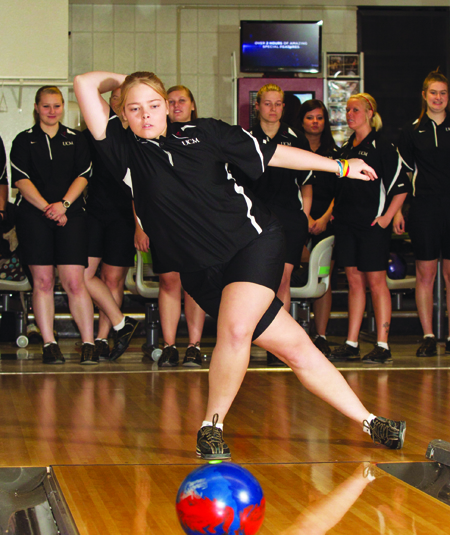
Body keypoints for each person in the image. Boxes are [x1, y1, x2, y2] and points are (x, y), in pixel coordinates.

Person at [74, 70, 406, 459]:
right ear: (125, 116)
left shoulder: (206, 132)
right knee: (297, 348)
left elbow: (276, 155)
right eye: (134, 108)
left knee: (234, 330)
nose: (145, 115)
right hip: (201, 272)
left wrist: (340, 166)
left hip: (252, 244)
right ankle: (372, 422)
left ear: (167, 107)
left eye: (153, 104)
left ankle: (210, 427)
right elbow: (83, 83)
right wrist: (127, 79)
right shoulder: (123, 152)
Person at [10, 85, 97, 364]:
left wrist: (64, 205)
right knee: (43, 281)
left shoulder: (77, 139)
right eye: (46, 106)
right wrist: (49, 208)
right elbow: (21, 180)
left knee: (74, 281)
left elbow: (83, 175)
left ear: (63, 107)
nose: (51, 111)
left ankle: (88, 343)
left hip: (71, 215)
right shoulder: (23, 140)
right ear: (37, 108)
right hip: (34, 217)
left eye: (56, 106)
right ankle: (49, 343)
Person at [328, 93, 410, 364]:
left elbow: (401, 187)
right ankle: (351, 343)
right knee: (353, 281)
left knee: (376, 283)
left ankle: (383, 345)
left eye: (356, 110)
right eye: (347, 110)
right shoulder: (346, 148)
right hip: (346, 225)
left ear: (370, 113)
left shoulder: (383, 145)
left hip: (372, 225)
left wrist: (387, 217)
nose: (350, 114)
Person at [243, 84, 313, 365]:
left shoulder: (295, 139)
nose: (273, 109)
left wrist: (305, 217)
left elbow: (307, 183)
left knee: (282, 280)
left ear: (284, 108)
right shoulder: (245, 139)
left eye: (278, 104)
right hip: (255, 220)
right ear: (257, 106)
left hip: (289, 219)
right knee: (258, 282)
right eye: (267, 103)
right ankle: (251, 339)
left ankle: (278, 347)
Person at [141, 85, 206, 368]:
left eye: (182, 100)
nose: (177, 105)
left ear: (192, 105)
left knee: (194, 283)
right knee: (169, 281)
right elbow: (139, 188)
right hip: (162, 222)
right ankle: (169, 345)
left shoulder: (204, 136)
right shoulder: (149, 138)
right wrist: (139, 225)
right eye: (171, 101)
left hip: (198, 223)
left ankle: (194, 345)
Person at [395, 69, 450, 357]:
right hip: (424, 208)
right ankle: (428, 335)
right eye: (433, 93)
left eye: (443, 93)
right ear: (424, 96)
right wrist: (397, 212)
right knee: (425, 273)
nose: (438, 98)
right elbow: (403, 176)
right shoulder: (410, 131)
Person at [83, 86, 140, 362]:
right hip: (93, 212)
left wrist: (140, 225)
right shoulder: (90, 134)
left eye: (122, 96)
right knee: (84, 275)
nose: (116, 100)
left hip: (124, 216)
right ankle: (121, 322)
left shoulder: (137, 135)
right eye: (113, 96)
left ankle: (103, 338)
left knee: (113, 279)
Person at [299, 99, 338, 358]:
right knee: (295, 275)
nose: (315, 122)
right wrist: (306, 218)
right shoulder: (292, 149)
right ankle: (293, 335)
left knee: (324, 279)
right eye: (310, 117)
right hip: (298, 220)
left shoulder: (335, 152)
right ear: (301, 120)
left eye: (320, 118)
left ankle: (321, 335)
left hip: (327, 223)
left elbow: (341, 192)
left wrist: (323, 218)